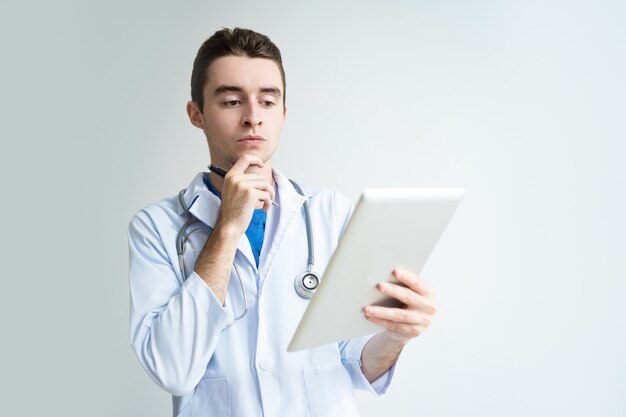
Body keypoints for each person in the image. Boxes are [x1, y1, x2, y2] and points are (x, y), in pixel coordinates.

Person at [128, 27, 437, 417]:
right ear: (197, 114)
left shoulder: (327, 212)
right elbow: (172, 369)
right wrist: (226, 229)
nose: (253, 118)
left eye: (268, 101)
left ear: (284, 114)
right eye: (231, 101)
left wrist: (395, 336)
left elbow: (355, 361)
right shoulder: (157, 228)